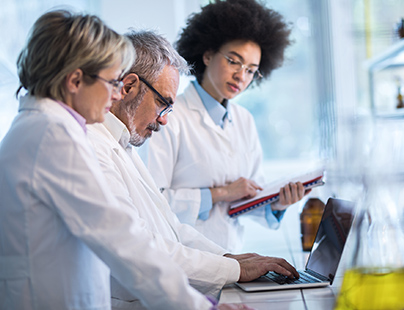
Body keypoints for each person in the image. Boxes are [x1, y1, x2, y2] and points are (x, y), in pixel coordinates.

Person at [0, 10, 251, 310]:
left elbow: (156, 230)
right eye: (111, 82)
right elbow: (121, 239)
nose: (116, 94)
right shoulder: (53, 135)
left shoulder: (42, 128)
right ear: (75, 80)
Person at [87, 29, 299, 308]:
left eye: (251, 70)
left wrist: (230, 260)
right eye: (162, 103)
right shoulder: (99, 143)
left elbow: (170, 228)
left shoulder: (124, 142)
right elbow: (138, 245)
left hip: (200, 268)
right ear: (127, 87)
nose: (163, 120)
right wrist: (231, 266)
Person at [147, 0, 308, 252]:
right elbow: (152, 201)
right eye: (234, 61)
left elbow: (246, 199)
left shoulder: (244, 120)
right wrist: (220, 193)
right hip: (184, 264)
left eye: (251, 70)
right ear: (208, 55)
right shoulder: (169, 115)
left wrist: (277, 203)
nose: (241, 76)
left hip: (232, 261)